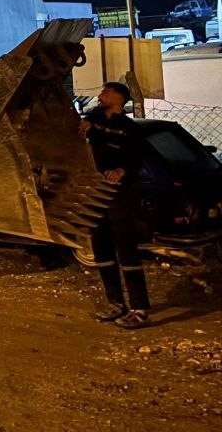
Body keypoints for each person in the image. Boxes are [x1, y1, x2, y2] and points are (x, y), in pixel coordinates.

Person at [79, 80, 152, 329]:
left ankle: (139, 308)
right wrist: (86, 125)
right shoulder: (95, 118)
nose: (101, 94)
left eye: (107, 92)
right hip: (97, 192)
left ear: (120, 99)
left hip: (121, 195)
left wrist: (122, 170)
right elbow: (85, 126)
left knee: (126, 250)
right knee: (102, 249)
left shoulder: (129, 129)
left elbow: (137, 158)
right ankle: (115, 303)